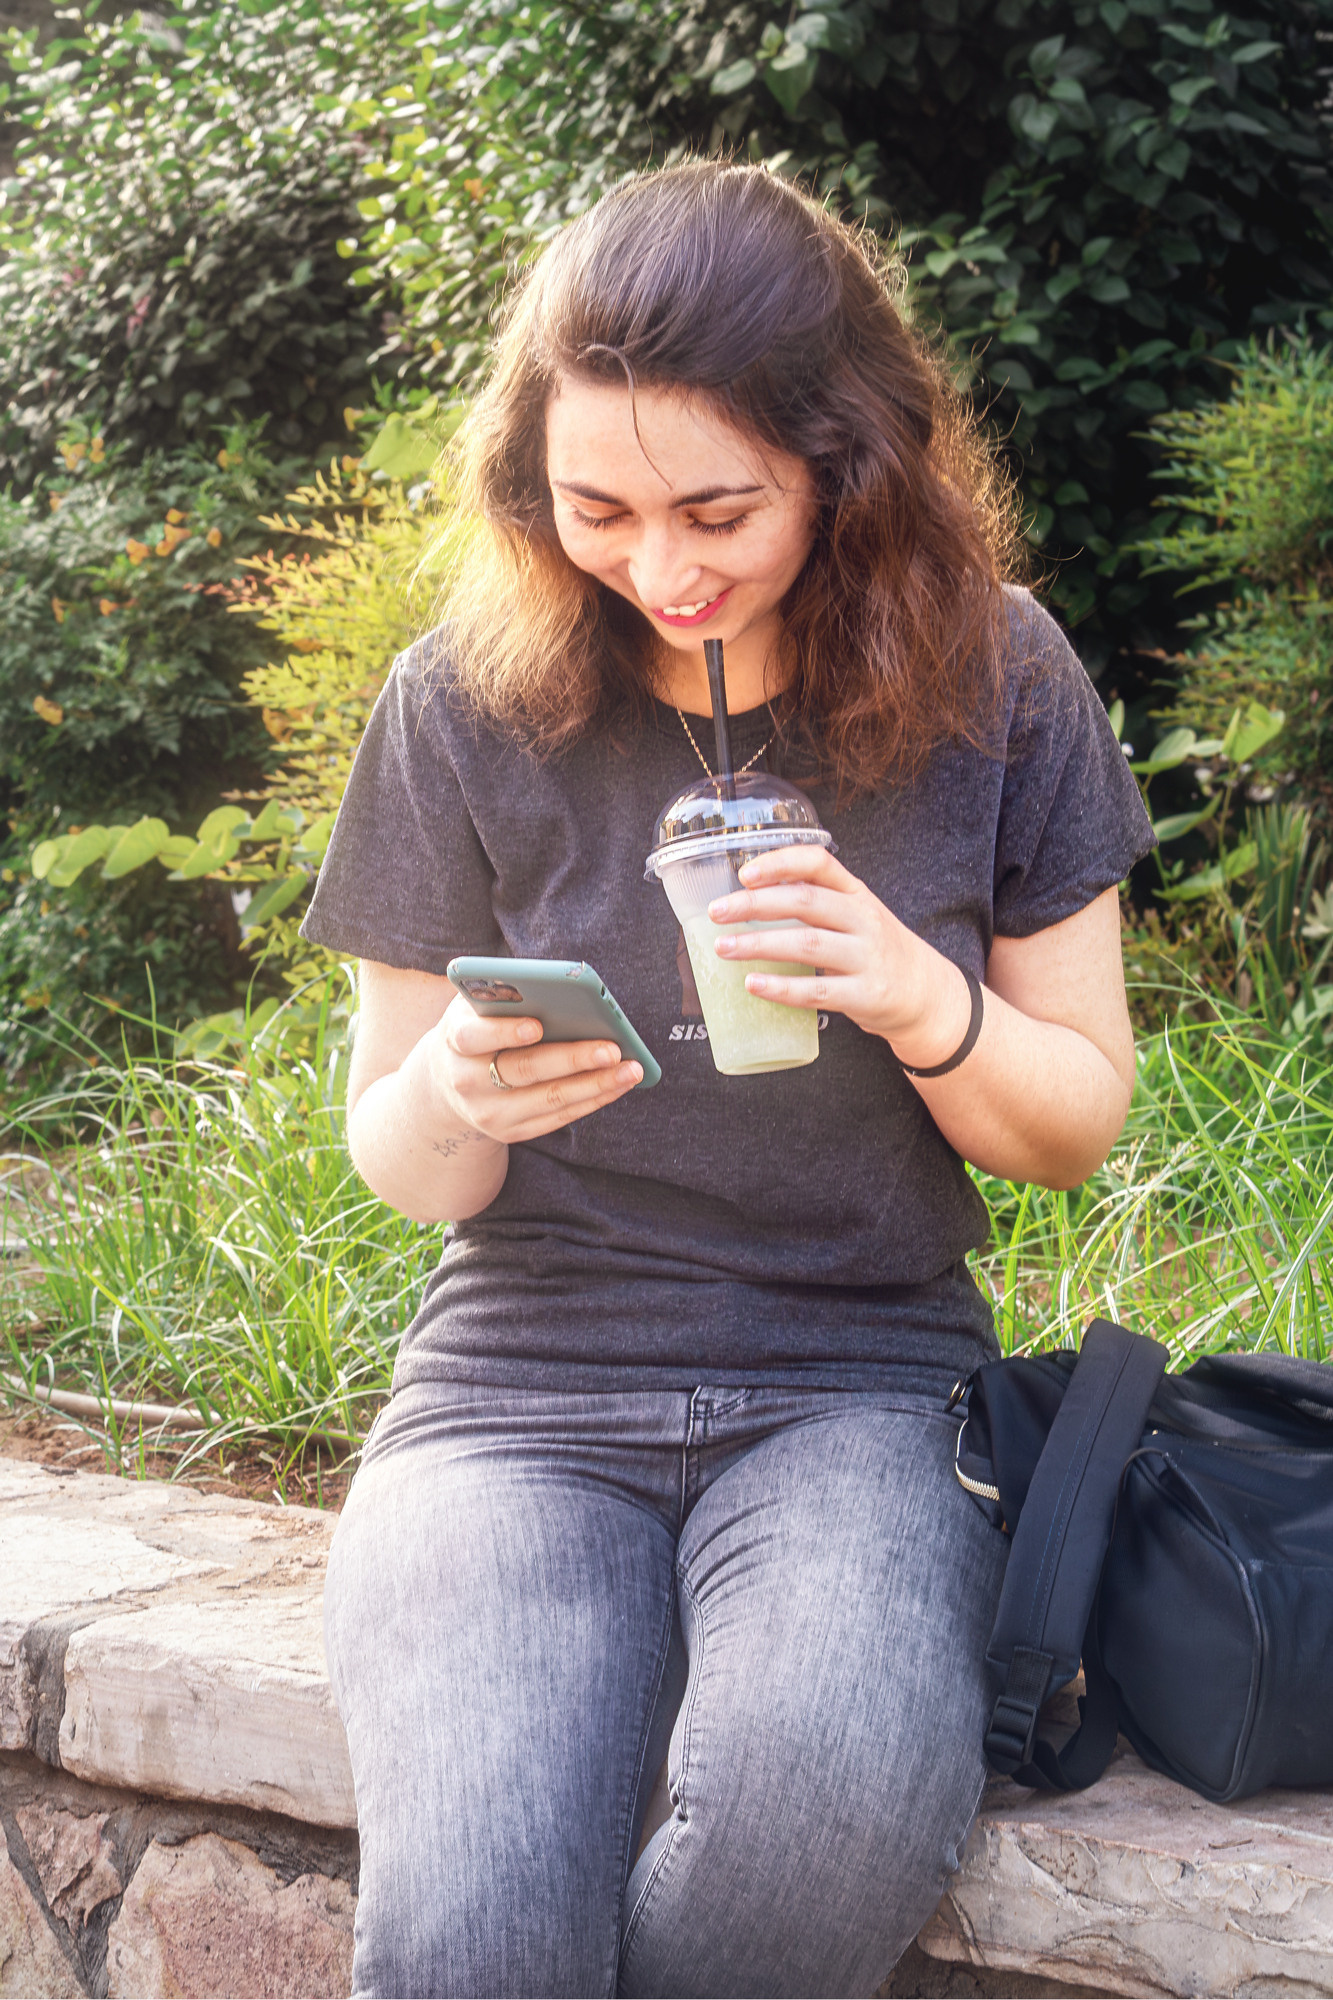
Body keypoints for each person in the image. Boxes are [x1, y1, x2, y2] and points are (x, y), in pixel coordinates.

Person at [303, 160, 1154, 1998]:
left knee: (827, 1813)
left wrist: (917, 997)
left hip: (861, 1380)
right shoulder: (462, 699)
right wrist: (455, 1095)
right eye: (596, 510)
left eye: (718, 510)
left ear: (845, 469)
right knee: (470, 1931)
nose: (661, 568)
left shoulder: (998, 678)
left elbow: (1074, 1121)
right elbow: (401, 1157)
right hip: (518, 1386)